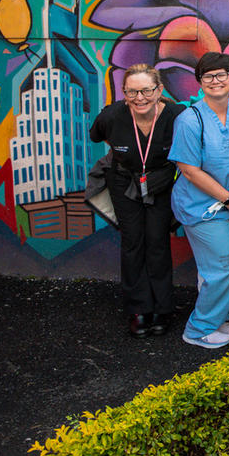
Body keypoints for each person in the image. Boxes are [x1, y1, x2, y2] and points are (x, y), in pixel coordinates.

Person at [89, 64, 185, 338]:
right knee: (133, 242)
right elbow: (96, 135)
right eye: (132, 91)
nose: (140, 97)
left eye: (146, 90)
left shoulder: (177, 115)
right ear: (124, 93)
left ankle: (162, 308)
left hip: (161, 183)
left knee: (157, 241)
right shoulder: (112, 115)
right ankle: (138, 309)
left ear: (160, 91)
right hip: (124, 182)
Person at [170, 52, 229, 348]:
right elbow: (189, 170)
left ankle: (217, 320)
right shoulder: (190, 120)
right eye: (209, 76)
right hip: (202, 206)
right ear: (200, 82)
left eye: (222, 75)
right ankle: (198, 329)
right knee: (224, 263)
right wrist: (228, 196)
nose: (216, 81)